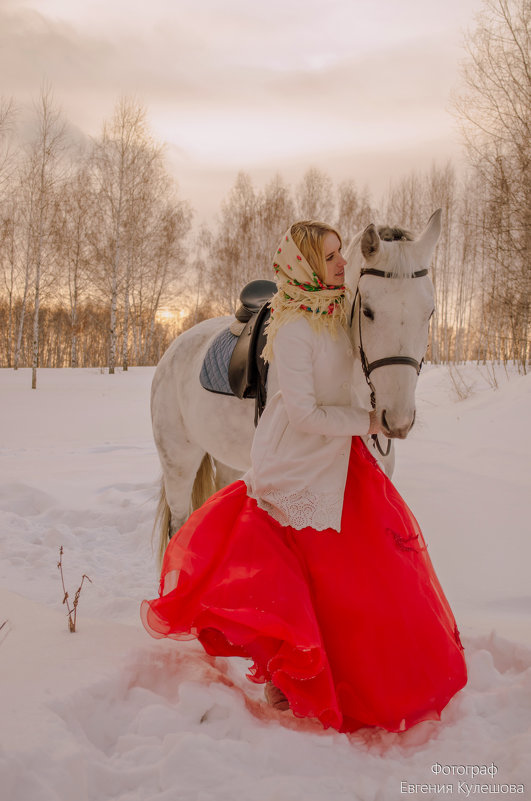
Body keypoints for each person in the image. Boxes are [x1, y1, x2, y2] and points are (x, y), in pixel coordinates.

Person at [141, 221, 467, 734]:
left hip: (332, 463)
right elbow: (304, 413)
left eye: (342, 254)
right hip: (291, 463)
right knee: (283, 567)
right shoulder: (292, 329)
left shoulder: (343, 310)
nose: (342, 263)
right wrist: (368, 422)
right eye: (332, 256)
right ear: (309, 264)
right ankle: (283, 664)